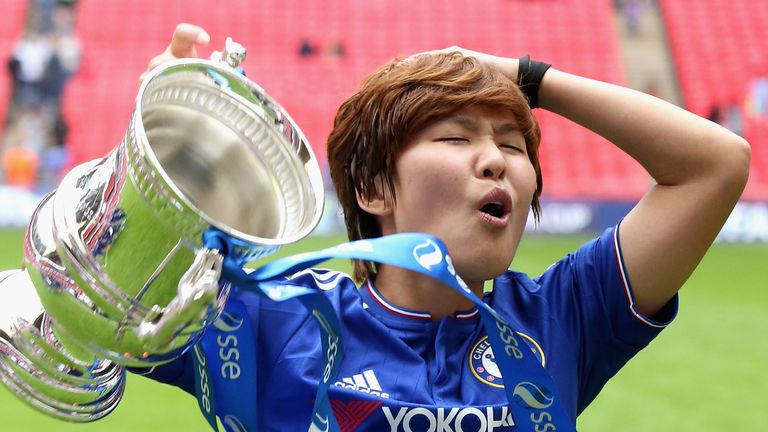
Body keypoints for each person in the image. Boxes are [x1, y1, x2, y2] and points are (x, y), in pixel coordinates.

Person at [80, 23, 760, 431]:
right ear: (375, 188)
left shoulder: (560, 320)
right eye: (457, 138)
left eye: (514, 147)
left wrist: (527, 79)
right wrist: (153, 153)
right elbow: (93, 290)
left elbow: (715, 165)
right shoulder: (270, 319)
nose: (496, 160)